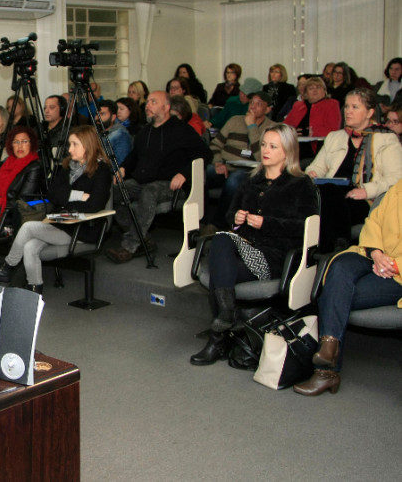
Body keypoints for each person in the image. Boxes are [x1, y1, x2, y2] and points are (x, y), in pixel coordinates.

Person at [190, 125, 319, 365]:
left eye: (273, 146)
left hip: (275, 257)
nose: (265, 150)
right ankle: (225, 320)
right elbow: (230, 215)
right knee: (222, 240)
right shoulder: (252, 181)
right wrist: (237, 218)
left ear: (287, 151)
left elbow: (307, 228)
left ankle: (218, 338)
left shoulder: (300, 184)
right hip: (244, 248)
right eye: (264, 145)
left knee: (219, 268)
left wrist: (266, 223)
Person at [293, 178, 402, 396]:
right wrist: (376, 253)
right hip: (373, 253)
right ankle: (329, 349)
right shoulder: (398, 188)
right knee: (340, 266)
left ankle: (326, 371)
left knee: (335, 293)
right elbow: (374, 221)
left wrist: (393, 265)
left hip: (396, 273)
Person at [0, 126, 112, 293]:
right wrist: (78, 195)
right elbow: (52, 194)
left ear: (87, 145)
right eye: (70, 144)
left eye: (74, 144)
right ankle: (34, 292)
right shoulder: (68, 166)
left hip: (82, 230)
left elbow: (95, 205)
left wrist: (66, 200)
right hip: (61, 223)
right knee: (29, 247)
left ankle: (7, 268)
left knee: (28, 227)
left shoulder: (101, 171)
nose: (69, 149)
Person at [105, 91, 212, 264]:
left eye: (153, 102)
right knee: (113, 192)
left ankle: (130, 246)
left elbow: (205, 154)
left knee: (150, 191)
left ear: (166, 107)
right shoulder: (145, 131)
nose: (148, 105)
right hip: (143, 181)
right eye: (147, 102)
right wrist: (123, 168)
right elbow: (134, 156)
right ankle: (143, 238)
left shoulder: (182, 130)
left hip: (172, 185)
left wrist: (184, 173)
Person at [305, 88, 402, 252]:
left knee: (329, 199)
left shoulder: (386, 139)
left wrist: (366, 191)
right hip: (330, 193)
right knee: (326, 193)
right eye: (347, 106)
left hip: (365, 199)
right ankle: (332, 249)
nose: (348, 111)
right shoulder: (335, 137)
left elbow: (396, 179)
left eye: (355, 107)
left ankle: (330, 250)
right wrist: (312, 173)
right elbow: (317, 166)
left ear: (370, 112)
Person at [205, 92, 278, 231]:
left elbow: (261, 157)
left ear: (268, 109)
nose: (253, 107)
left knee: (234, 180)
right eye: (251, 103)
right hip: (225, 166)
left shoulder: (272, 128)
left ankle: (217, 224)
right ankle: (199, 221)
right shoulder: (234, 121)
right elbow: (214, 145)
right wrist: (218, 162)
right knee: (201, 174)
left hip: (250, 171)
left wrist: (252, 127)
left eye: (259, 104)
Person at [0, 126, 44, 244]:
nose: (20, 146)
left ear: (32, 144)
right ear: (11, 145)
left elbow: (21, 202)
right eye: (16, 142)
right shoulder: (6, 163)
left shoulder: (34, 167)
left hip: (10, 217)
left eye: (24, 141)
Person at [96, 100, 133, 166]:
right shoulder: (96, 131)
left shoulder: (121, 135)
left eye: (102, 114)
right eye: (96, 114)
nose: (98, 117)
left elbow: (119, 164)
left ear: (113, 117)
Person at [42, 94, 69, 161]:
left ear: (62, 110)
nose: (46, 111)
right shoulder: (39, 128)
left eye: (51, 107)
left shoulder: (68, 131)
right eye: (45, 107)